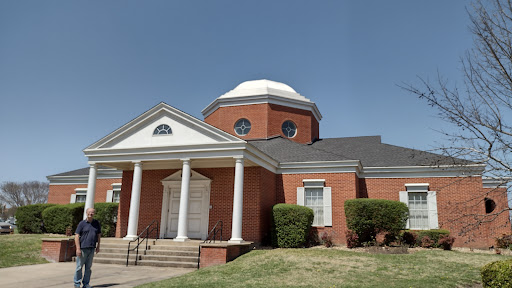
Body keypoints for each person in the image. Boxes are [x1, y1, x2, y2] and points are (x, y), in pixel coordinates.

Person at [74, 208, 101, 288]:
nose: (91, 214)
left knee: (88, 268)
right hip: (83, 248)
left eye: (92, 212)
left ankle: (86, 284)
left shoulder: (96, 223)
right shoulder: (82, 223)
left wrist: (98, 246)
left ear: (94, 213)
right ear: (86, 213)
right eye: (89, 212)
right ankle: (77, 283)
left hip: (92, 248)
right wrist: (78, 248)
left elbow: (98, 235)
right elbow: (76, 236)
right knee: (79, 267)